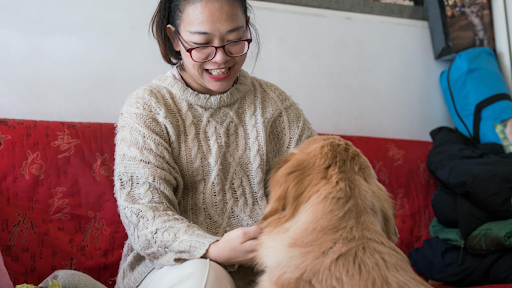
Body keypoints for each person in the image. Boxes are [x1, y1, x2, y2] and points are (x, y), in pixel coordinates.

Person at [113, 0, 316, 287]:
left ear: (247, 27)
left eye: (234, 40)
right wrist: (214, 249)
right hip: (172, 271)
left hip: (268, 273)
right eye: (202, 43)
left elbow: (320, 186)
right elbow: (145, 218)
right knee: (206, 275)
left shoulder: (274, 106)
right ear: (174, 38)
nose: (221, 58)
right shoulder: (149, 107)